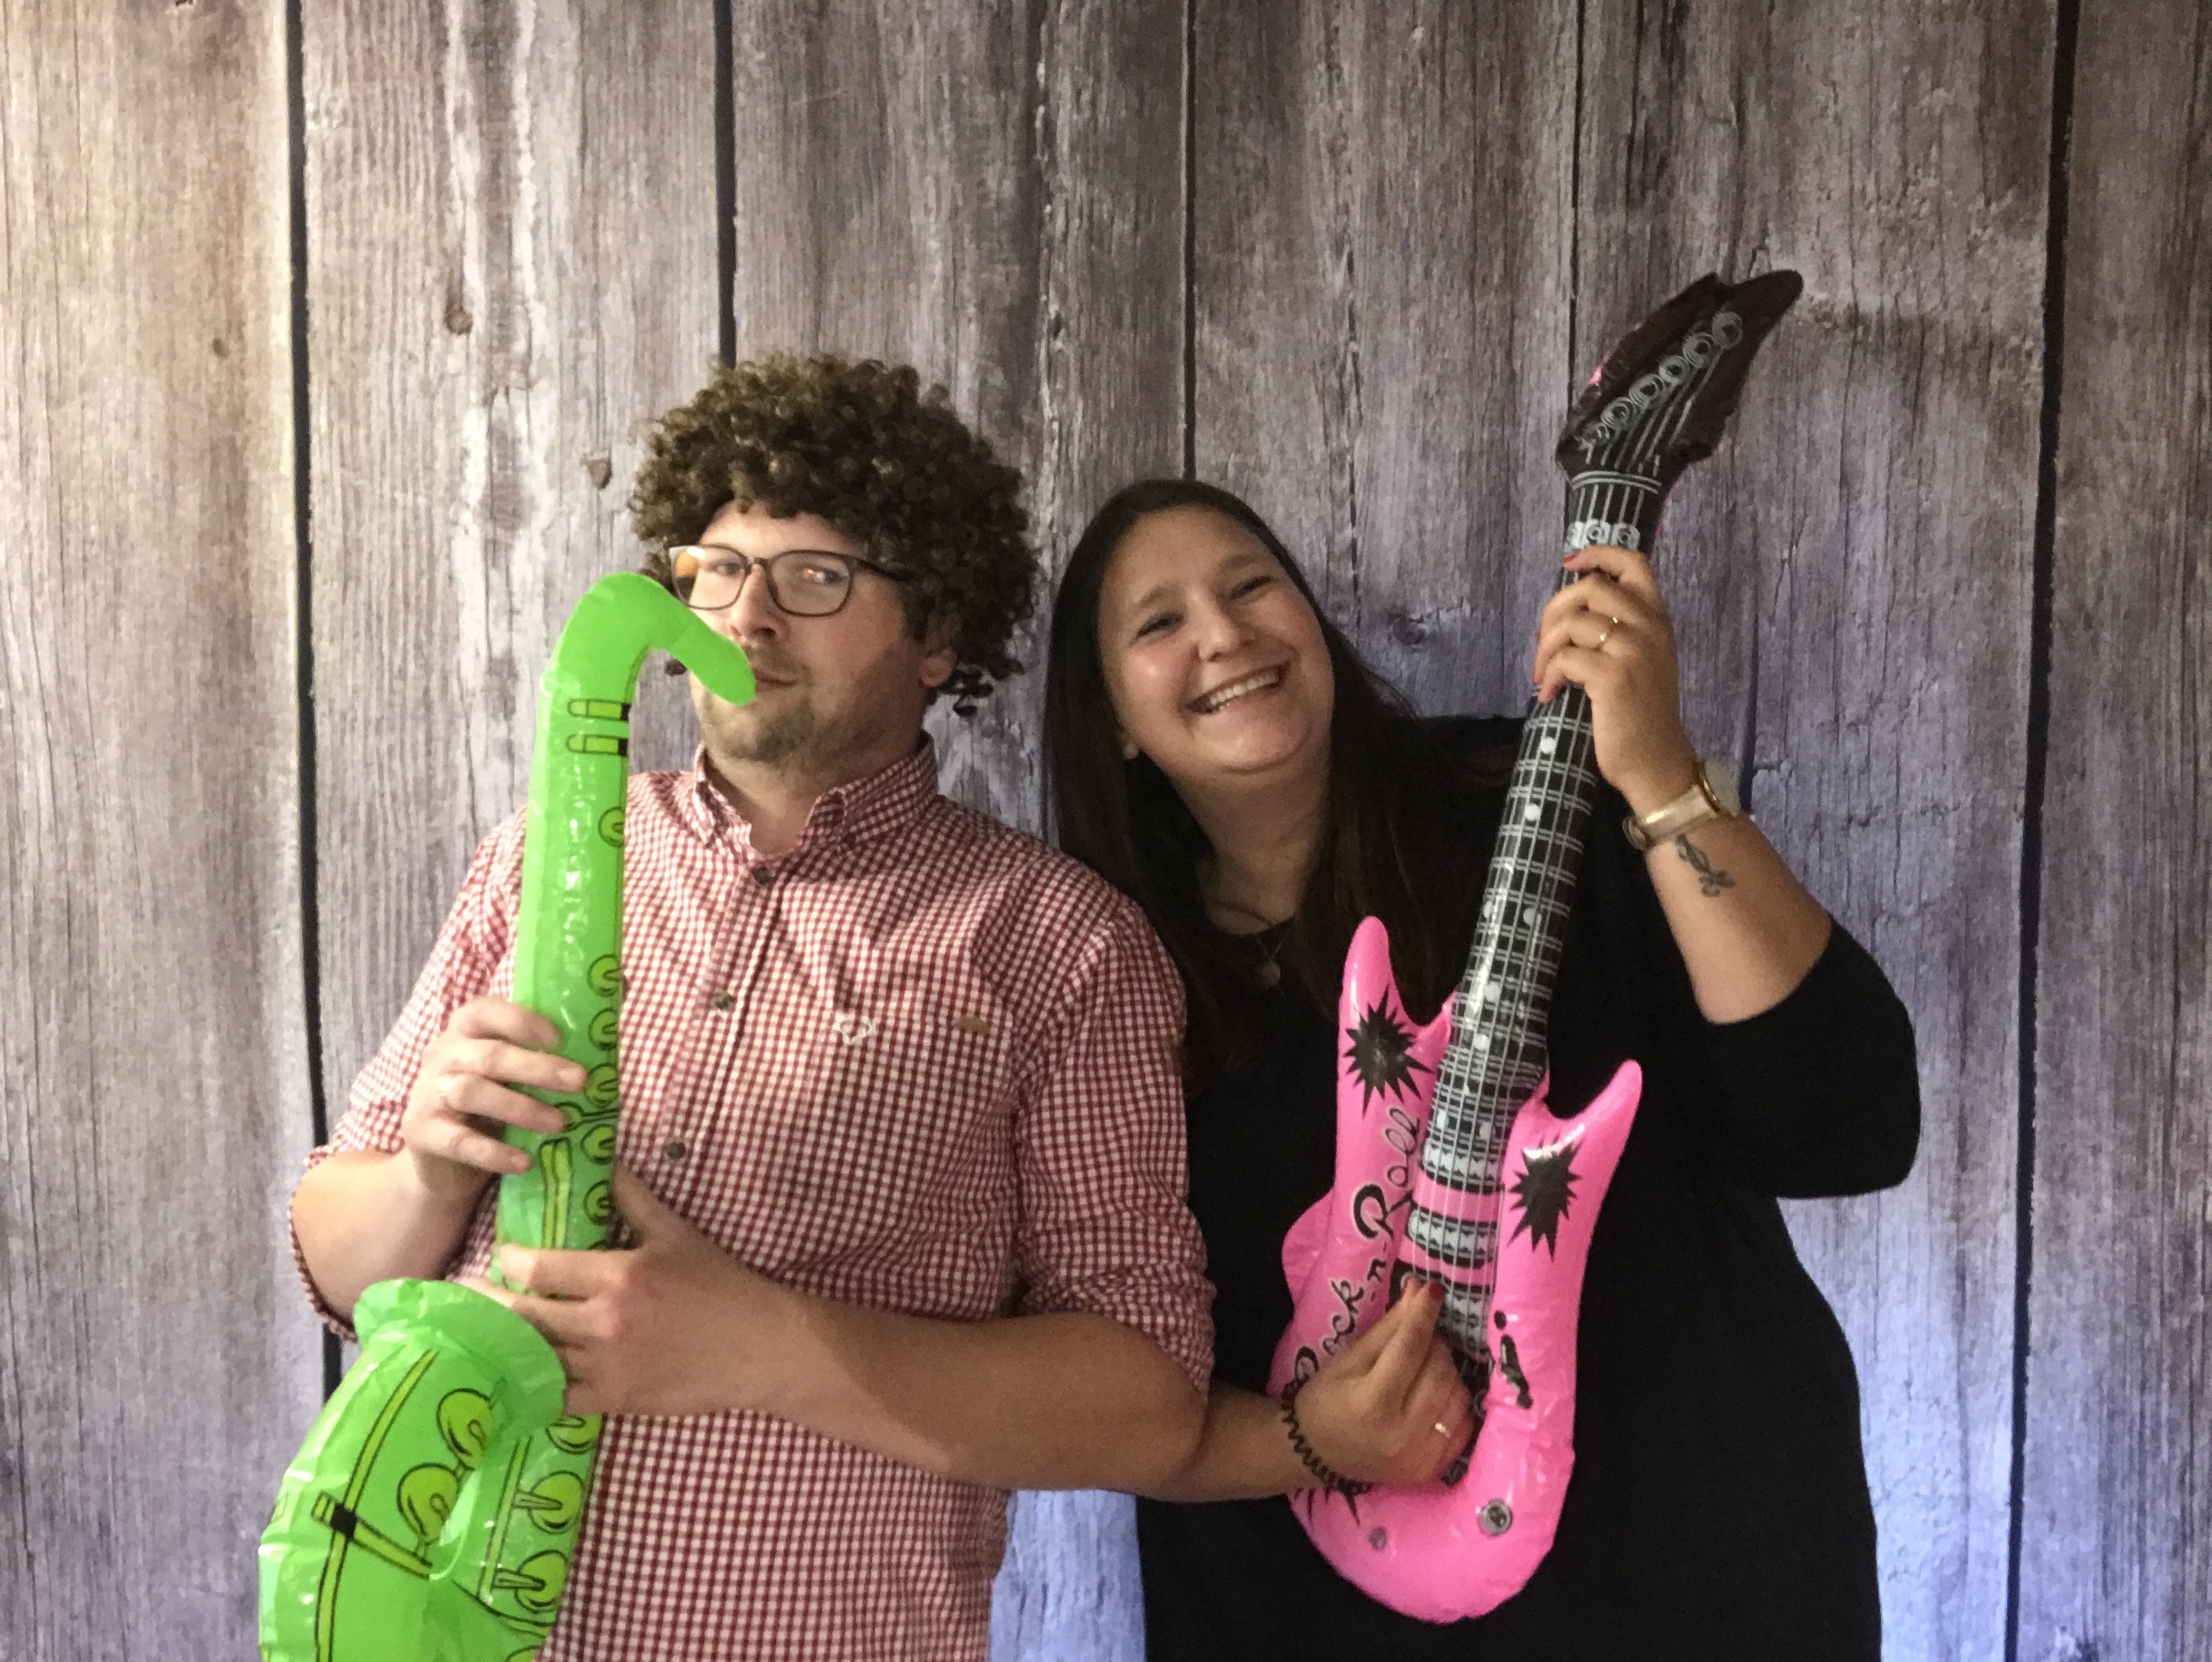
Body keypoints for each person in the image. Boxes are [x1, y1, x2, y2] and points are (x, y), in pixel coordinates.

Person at [287, 357, 1217, 1662]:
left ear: (937, 633)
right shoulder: (538, 858)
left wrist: (758, 1345)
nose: (747, 619)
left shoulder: (1061, 943)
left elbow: (1147, 1403)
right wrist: (428, 1178)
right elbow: (340, 1259)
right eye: (717, 571)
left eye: (815, 577)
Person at [1042, 479, 1921, 1660]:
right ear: (1109, 717)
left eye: (1252, 585)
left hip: (1689, 1573)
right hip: (1306, 1614)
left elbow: (1847, 1125)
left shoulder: (1534, 805)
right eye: (1160, 622)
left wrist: (1661, 777)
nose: (1224, 633)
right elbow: (1110, 1371)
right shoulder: (1107, 982)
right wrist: (1304, 1437)